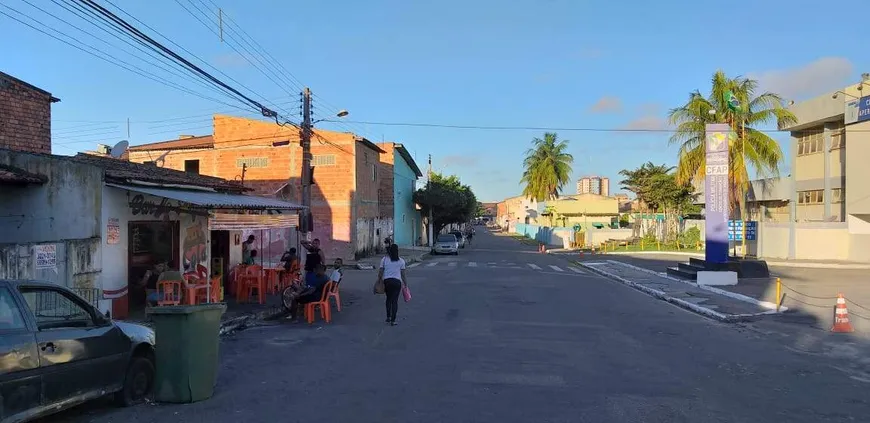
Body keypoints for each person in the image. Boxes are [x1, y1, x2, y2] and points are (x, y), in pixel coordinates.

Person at [377, 244, 407, 326]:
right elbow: (403, 275)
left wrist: (379, 281)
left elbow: (380, 272)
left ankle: (388, 317)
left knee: (388, 299)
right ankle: (393, 321)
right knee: (395, 301)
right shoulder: (401, 261)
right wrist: (406, 284)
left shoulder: (384, 260)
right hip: (397, 282)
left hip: (387, 281)